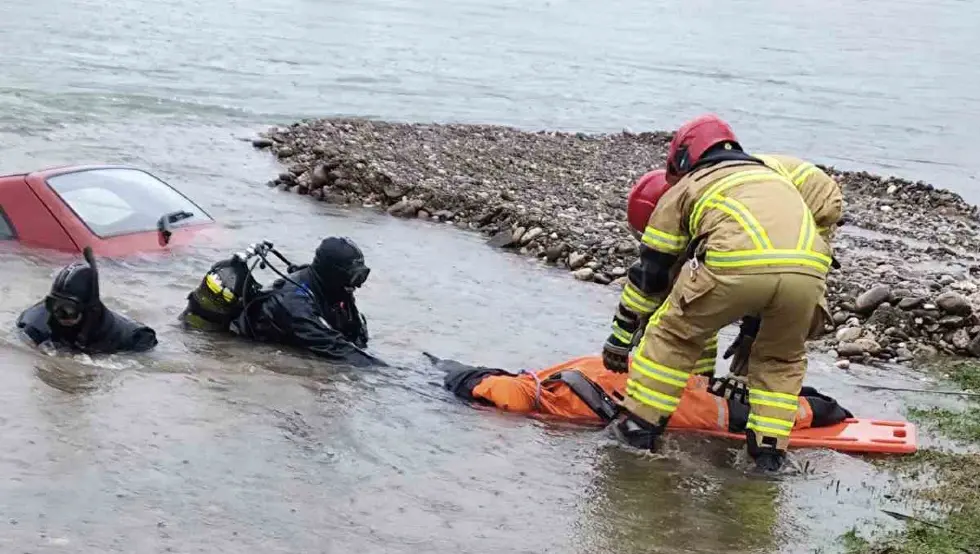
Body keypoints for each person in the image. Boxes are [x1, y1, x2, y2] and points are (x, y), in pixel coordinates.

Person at [604, 113, 834, 472]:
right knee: (780, 360)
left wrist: (620, 338)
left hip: (738, 263)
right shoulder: (766, 176)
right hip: (809, 268)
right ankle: (768, 457)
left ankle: (637, 431)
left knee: (673, 334)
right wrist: (753, 331)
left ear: (682, 159)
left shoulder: (684, 189)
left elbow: (650, 276)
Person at [438, 355, 852, 433]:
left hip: (656, 390)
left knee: (726, 408)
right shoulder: (570, 370)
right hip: (654, 378)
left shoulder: (545, 384)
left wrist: (821, 409)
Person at [180, 236, 384, 367]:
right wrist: (392, 375)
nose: (357, 285)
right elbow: (336, 349)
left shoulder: (334, 290)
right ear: (332, 273)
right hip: (225, 348)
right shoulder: (293, 305)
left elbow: (353, 338)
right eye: (353, 278)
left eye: (361, 277)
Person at [16, 247, 158, 354]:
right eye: (52, 305)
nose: (58, 314)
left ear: (87, 308)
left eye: (68, 309)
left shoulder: (133, 337)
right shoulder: (35, 324)